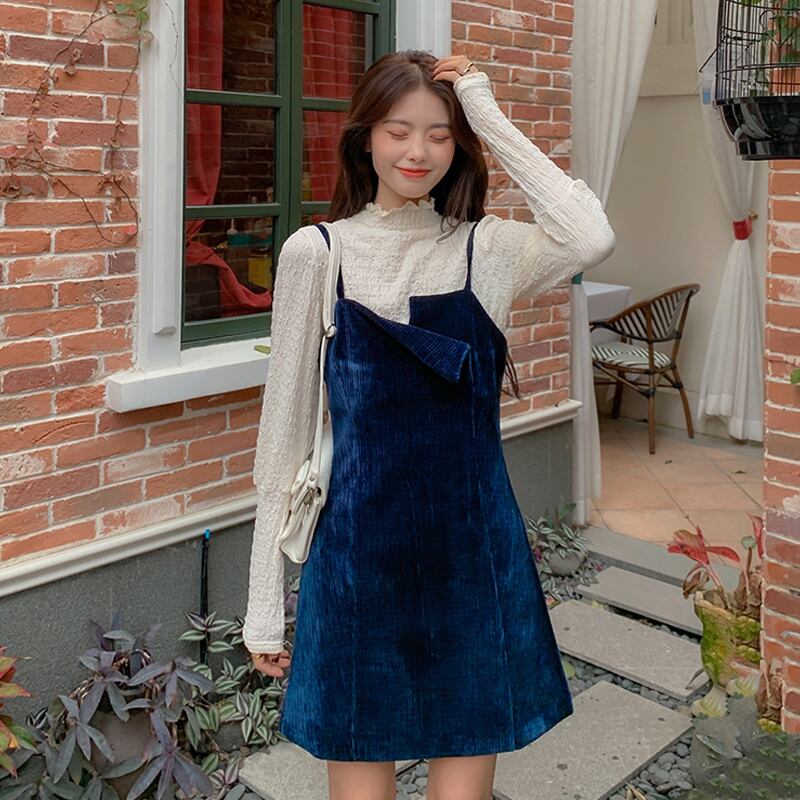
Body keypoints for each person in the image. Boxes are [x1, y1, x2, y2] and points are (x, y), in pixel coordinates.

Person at [242, 50, 616, 800]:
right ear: (365, 139)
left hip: (474, 560)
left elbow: (588, 237)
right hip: (356, 563)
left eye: (440, 134)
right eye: (398, 130)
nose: (418, 151)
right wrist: (262, 610)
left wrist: (483, 106)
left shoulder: (488, 249)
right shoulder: (316, 254)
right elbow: (281, 440)